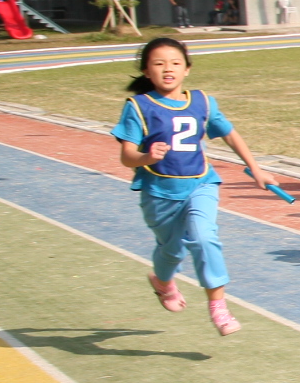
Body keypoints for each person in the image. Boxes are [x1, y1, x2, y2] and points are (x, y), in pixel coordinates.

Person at [113, 36, 272, 338]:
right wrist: (147, 156)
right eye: (159, 63)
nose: (168, 69)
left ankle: (218, 306)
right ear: (146, 71)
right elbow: (126, 157)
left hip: (201, 184)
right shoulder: (138, 107)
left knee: (203, 236)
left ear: (187, 69)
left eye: (175, 63)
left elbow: (230, 134)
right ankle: (162, 282)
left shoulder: (202, 102)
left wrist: (256, 169)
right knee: (171, 252)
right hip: (158, 193)